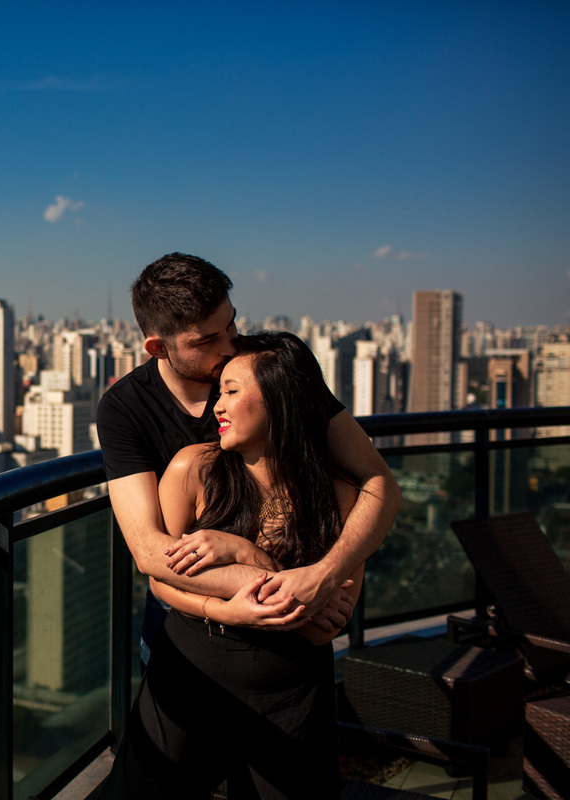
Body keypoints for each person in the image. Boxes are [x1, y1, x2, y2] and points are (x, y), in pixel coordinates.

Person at [98, 331, 370, 798]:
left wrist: (245, 554)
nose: (216, 408)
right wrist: (228, 610)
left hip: (293, 691)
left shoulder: (340, 496)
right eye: (218, 391)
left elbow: (325, 626)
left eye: (231, 391)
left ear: (282, 402)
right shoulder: (192, 470)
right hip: (190, 669)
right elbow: (159, 580)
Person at [96, 253, 399, 666]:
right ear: (158, 348)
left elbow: (378, 481)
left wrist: (325, 574)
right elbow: (151, 552)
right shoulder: (126, 407)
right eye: (206, 340)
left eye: (231, 325)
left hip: (294, 630)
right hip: (189, 617)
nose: (229, 346)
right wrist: (291, 589)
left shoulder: (267, 375)